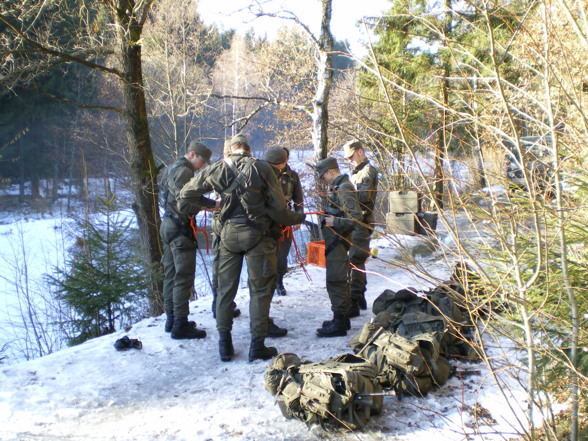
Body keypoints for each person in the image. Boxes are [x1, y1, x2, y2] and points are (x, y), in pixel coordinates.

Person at [178, 135, 305, 362]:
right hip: (257, 236)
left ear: (230, 150)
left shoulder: (218, 168)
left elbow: (187, 193)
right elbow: (279, 210)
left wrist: (213, 205)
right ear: (248, 149)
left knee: (225, 291)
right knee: (260, 290)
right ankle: (257, 347)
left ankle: (224, 345)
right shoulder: (262, 168)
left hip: (226, 236)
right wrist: (298, 217)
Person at [160, 141, 215, 340]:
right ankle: (180, 325)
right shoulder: (184, 171)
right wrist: (211, 204)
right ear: (192, 154)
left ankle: (172, 319)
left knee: (171, 274)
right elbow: (187, 200)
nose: (202, 165)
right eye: (201, 160)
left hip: (168, 224)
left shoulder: (171, 168)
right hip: (180, 227)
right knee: (183, 277)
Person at [314, 156, 362, 337]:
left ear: (330, 171)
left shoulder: (344, 188)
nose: (323, 181)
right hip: (335, 243)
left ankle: (339, 322)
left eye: (323, 176)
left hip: (339, 243)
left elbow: (355, 219)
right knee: (336, 279)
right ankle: (341, 318)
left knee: (336, 280)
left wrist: (335, 221)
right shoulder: (338, 188)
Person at [342, 140, 379, 315]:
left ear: (360, 152)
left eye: (351, 156)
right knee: (357, 259)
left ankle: (354, 302)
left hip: (361, 221)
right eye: (347, 158)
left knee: (355, 260)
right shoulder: (358, 171)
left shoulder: (366, 171)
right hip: (359, 220)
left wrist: (344, 196)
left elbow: (363, 197)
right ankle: (360, 297)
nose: (349, 160)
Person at [263, 147, 304, 296]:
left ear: (285, 160)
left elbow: (298, 200)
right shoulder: (264, 173)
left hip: (285, 219)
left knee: (282, 255)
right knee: (266, 253)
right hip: (267, 219)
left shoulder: (292, 176)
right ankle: (267, 283)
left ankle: (279, 282)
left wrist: (298, 217)